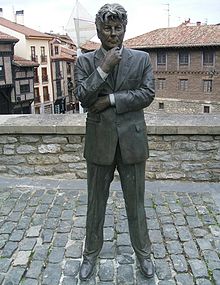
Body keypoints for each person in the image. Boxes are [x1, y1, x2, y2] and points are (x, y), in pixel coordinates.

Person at [74, 3, 155, 281]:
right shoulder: (85, 62)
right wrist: (104, 69)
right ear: (98, 30)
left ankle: (143, 254)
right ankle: (90, 255)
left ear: (124, 29)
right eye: (107, 28)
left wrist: (109, 100)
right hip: (99, 144)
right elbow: (83, 97)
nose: (112, 33)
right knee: (96, 204)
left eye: (117, 28)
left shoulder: (141, 59)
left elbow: (146, 94)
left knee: (136, 205)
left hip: (132, 143)